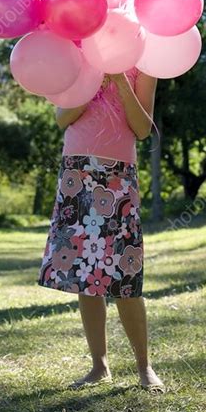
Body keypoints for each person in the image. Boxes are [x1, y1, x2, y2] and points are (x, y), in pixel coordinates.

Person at [37, 66, 166, 392]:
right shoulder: (76, 56)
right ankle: (99, 366)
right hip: (77, 168)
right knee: (85, 271)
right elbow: (62, 118)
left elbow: (141, 128)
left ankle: (144, 368)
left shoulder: (144, 60)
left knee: (124, 272)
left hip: (118, 172)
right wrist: (95, 80)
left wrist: (121, 79)